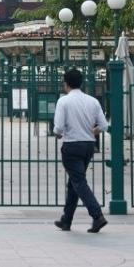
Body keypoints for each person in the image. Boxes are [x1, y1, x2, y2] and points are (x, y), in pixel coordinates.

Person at [53, 68, 109, 233]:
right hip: (88, 146)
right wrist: (91, 132)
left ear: (66, 83)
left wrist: (58, 134)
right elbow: (104, 125)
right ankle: (66, 219)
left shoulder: (63, 101)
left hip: (72, 145)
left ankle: (97, 215)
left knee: (79, 182)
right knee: (74, 183)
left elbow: (58, 128)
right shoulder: (92, 101)